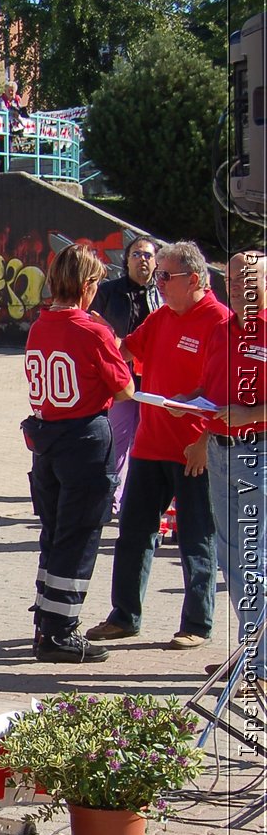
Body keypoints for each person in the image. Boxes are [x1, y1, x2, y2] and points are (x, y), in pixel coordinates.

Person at [86, 241, 229, 651]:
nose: (159, 282)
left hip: (194, 450)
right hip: (151, 444)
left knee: (196, 539)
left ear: (196, 280)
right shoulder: (163, 315)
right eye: (160, 274)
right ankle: (124, 617)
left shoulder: (220, 322)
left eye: (167, 276)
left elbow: (220, 392)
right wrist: (98, 336)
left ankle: (197, 625)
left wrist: (204, 441)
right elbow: (128, 351)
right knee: (133, 533)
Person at [22, 245, 134, 663]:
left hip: (46, 436)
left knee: (53, 532)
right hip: (85, 437)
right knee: (80, 534)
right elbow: (125, 390)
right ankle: (60, 631)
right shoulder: (92, 330)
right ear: (87, 286)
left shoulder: (39, 326)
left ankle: (45, 621)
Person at [185, 250, 265, 670]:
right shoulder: (222, 330)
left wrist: (251, 415)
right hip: (220, 452)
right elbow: (212, 391)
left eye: (247, 280)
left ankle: (260, 663)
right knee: (232, 558)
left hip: (259, 453)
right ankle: (254, 654)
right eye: (231, 279)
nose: (237, 287)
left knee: (254, 557)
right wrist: (188, 407)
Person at [90, 235, 161, 513]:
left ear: (156, 262)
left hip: (153, 380)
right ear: (126, 260)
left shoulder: (163, 295)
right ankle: (110, 499)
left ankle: (137, 499)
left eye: (147, 255)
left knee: (145, 441)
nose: (142, 260)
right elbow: (93, 326)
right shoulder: (108, 292)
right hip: (119, 376)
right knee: (117, 439)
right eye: (136, 254)